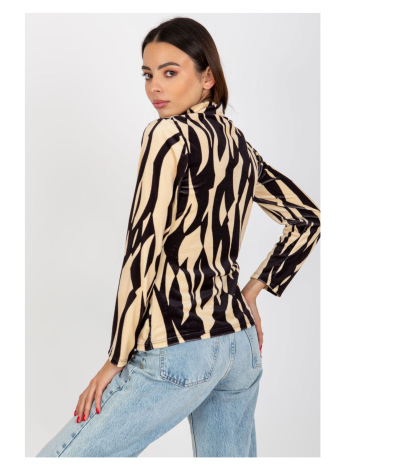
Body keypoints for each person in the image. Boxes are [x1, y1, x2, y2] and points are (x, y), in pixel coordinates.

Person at [36, 16, 321, 458]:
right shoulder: (239, 146)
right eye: (147, 74)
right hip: (239, 344)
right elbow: (307, 218)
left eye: (170, 72)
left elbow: (143, 250)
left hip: (179, 343)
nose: (155, 87)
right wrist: (250, 293)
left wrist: (116, 359)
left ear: (208, 77)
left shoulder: (166, 135)